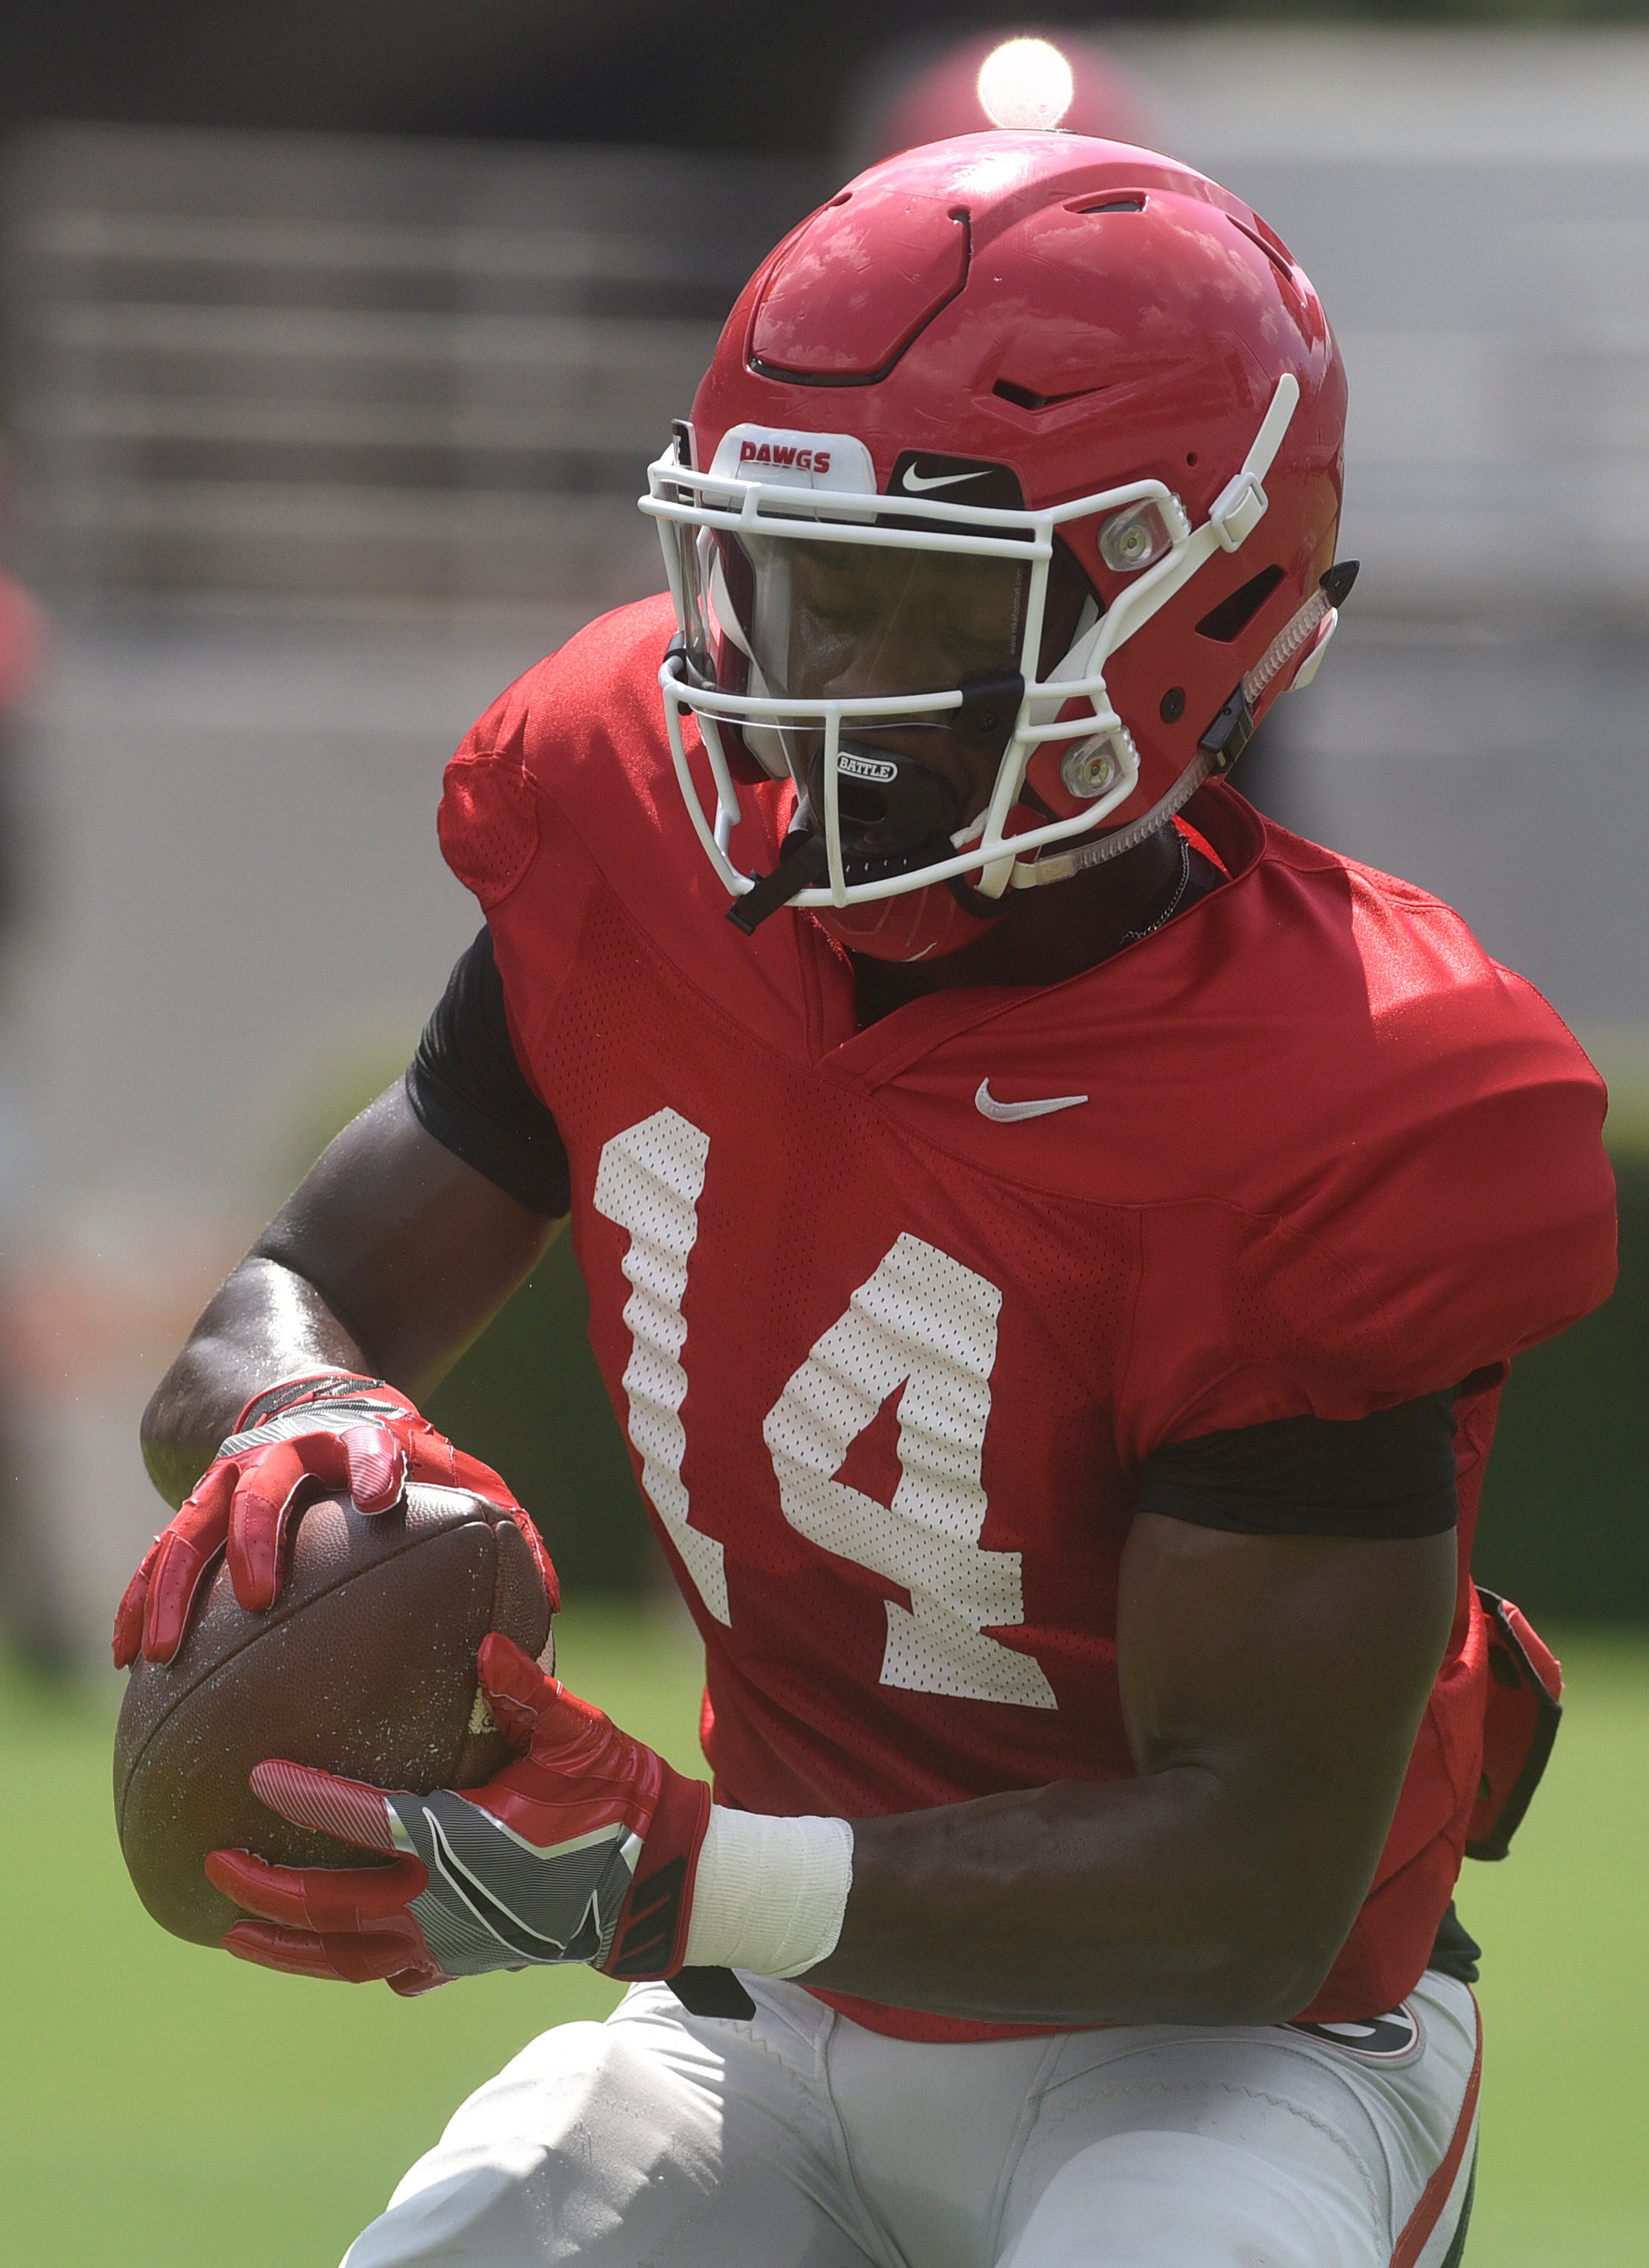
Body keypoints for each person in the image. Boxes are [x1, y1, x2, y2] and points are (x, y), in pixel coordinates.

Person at [120, 134, 1616, 2268]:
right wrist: (294, 1427)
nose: (797, 687)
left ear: (1190, 618)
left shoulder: (1342, 1095)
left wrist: (669, 1868)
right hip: (760, 2008)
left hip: (1233, 2045)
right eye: (779, 578)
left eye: (908, 607)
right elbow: (298, 1294)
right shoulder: (624, 814)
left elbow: (1248, 1882)